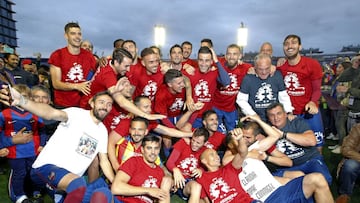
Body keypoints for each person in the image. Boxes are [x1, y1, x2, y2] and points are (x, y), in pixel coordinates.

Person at [0, 87, 116, 203]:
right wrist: (22, 100)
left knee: (100, 195)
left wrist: (114, 182)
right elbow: (49, 113)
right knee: (78, 184)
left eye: (109, 104)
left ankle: (59, 195)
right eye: (101, 102)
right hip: (46, 167)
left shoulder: (103, 132)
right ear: (92, 103)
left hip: (67, 182)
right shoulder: (76, 114)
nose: (105, 106)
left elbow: (104, 161)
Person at [216, 128, 334, 203]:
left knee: (317, 178)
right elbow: (226, 160)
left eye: (243, 138)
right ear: (230, 146)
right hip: (266, 198)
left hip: (279, 189)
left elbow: (274, 136)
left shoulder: (253, 148)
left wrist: (257, 119)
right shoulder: (229, 163)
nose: (243, 141)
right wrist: (247, 153)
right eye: (238, 140)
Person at [277, 34, 325, 152]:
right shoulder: (280, 68)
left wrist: (313, 102)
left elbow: (317, 89)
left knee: (317, 143)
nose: (289, 46)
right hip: (290, 114)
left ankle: (318, 165)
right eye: (286, 44)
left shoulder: (312, 64)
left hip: (309, 112)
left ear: (300, 46)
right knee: (292, 147)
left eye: (293, 43)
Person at [89, 135, 172, 203]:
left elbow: (159, 197)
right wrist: (147, 190)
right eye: (149, 148)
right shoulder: (133, 162)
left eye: (156, 148)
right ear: (142, 150)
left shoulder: (160, 172)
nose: (153, 152)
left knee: (167, 181)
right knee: (103, 192)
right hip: (122, 201)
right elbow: (115, 188)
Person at [0, 84, 46, 203]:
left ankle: (37, 192)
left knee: (35, 172)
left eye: (24, 97)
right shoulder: (4, 114)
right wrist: (3, 145)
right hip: (15, 152)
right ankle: (19, 196)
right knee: (19, 173)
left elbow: (42, 131)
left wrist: (42, 144)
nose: (20, 99)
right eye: (17, 96)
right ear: (10, 97)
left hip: (33, 150)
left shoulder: (35, 114)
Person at [266, 102, 332, 184]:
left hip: (309, 161)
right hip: (287, 167)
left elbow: (311, 141)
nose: (276, 118)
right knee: (293, 186)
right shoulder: (266, 130)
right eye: (272, 115)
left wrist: (284, 134)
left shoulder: (296, 122)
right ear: (268, 118)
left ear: (286, 114)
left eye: (279, 113)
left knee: (324, 180)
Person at [48, 22, 96, 108]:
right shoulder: (57, 55)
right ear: (66, 36)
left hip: (84, 105)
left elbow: (97, 73)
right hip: (63, 105)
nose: (77, 37)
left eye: (79, 34)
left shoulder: (89, 56)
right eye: (73, 34)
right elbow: (56, 84)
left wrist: (104, 61)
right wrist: (77, 86)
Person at [183, 46, 230, 128]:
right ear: (197, 60)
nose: (203, 64)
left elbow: (226, 82)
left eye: (207, 60)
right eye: (201, 60)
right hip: (193, 117)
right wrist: (188, 96)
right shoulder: (191, 72)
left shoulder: (214, 73)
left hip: (208, 117)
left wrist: (217, 61)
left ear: (211, 61)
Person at [237, 53, 293, 121]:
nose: (264, 72)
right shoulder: (248, 78)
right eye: (260, 69)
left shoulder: (277, 76)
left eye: (267, 68)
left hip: (275, 118)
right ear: (255, 67)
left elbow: (283, 97)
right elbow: (241, 100)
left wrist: (288, 112)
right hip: (255, 118)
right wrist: (252, 114)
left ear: (271, 66)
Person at [213, 44, 252, 133]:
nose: (231, 57)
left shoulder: (246, 68)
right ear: (225, 56)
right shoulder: (219, 66)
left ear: (240, 56)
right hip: (216, 107)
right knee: (218, 134)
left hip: (232, 109)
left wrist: (273, 67)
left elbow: (261, 68)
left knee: (233, 133)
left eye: (234, 54)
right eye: (229, 54)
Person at [166, 128, 209, 201]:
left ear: (204, 143)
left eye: (198, 143)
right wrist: (175, 170)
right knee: (166, 181)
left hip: (187, 182)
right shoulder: (183, 143)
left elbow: (207, 168)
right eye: (193, 140)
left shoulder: (205, 151)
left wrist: (201, 170)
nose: (194, 144)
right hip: (174, 177)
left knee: (196, 187)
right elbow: (169, 162)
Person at [335, 123, 360, 203]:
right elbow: (346, 149)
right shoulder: (358, 128)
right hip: (357, 161)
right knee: (350, 166)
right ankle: (344, 194)